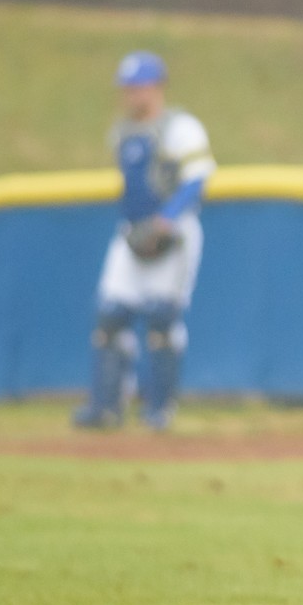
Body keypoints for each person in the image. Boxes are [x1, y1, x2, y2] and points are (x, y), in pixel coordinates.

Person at [73, 52, 215, 431]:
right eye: (128, 88)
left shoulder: (180, 128)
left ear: (157, 86)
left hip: (173, 234)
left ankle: (159, 408)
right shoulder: (122, 132)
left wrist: (167, 218)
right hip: (131, 233)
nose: (133, 94)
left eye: (140, 86)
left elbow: (197, 179)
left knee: (161, 317)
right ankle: (106, 406)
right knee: (109, 315)